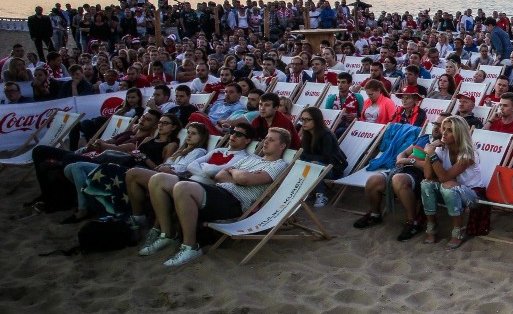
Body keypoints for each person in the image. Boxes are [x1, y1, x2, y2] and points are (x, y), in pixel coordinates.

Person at [140, 127, 291, 266]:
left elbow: (244, 179)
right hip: (218, 191)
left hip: (234, 202)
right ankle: (167, 234)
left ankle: (191, 247)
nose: (266, 141)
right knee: (158, 179)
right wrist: (238, 176)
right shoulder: (251, 158)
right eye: (266, 138)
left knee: (183, 187)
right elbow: (220, 175)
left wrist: (235, 172)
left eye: (271, 140)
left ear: (282, 146)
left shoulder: (279, 165)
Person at [63, 112, 180, 222]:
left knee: (85, 166)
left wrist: (144, 158)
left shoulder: (171, 145)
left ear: (173, 127)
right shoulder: (148, 139)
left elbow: (160, 169)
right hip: (125, 164)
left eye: (165, 123)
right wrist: (133, 153)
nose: (161, 125)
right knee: (72, 168)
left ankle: (83, 209)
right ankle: (91, 201)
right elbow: (134, 152)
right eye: (160, 122)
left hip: (140, 171)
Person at [354, 113, 448, 241]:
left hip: (421, 176)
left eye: (440, 125)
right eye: (435, 124)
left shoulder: (444, 145)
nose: (436, 127)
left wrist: (410, 162)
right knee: (373, 180)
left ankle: (412, 221)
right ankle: (375, 214)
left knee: (398, 180)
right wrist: (400, 159)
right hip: (401, 169)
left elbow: (432, 169)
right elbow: (404, 152)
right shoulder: (424, 138)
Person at [422, 115, 484, 250]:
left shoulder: (469, 154)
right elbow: (428, 175)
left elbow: (444, 178)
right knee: (426, 184)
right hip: (449, 188)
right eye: (443, 128)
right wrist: (430, 151)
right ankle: (431, 226)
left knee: (448, 187)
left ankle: (458, 229)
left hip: (472, 194)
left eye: (449, 130)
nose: (443, 133)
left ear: (459, 133)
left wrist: (431, 155)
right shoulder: (441, 148)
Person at [299, 106, 347, 207]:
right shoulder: (307, 134)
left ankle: (322, 195)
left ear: (316, 120)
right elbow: (303, 154)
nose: (303, 123)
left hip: (334, 169)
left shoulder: (326, 135)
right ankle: (308, 191)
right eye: (302, 119)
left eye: (307, 120)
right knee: (302, 162)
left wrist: (309, 159)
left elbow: (327, 158)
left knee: (316, 166)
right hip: (318, 165)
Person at [325, 72, 364, 136]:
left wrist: (355, 117)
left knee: (340, 131)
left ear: (350, 84)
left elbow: (362, 116)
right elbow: (327, 118)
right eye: (338, 82)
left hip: (352, 127)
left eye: (343, 82)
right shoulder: (331, 99)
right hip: (334, 126)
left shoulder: (358, 97)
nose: (340, 85)